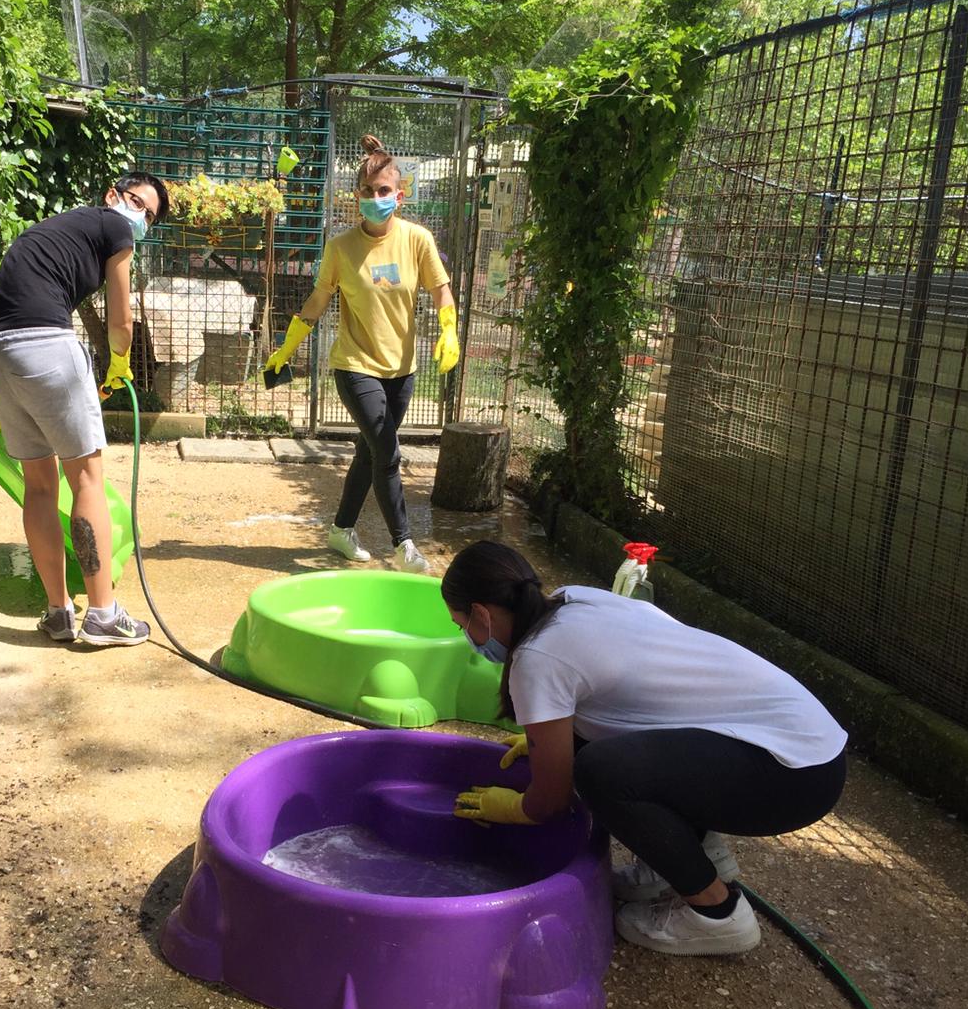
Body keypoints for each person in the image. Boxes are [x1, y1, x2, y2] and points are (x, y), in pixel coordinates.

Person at [441, 540, 848, 955]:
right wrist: (548, 743)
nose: (468, 637)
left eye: (461, 626)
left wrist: (510, 807)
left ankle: (718, 914)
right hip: (806, 739)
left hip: (793, 773)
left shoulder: (536, 659)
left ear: (481, 614)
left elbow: (550, 802)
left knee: (601, 772)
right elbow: (615, 702)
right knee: (594, 747)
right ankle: (690, 863)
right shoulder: (574, 600)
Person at [0, 172, 169, 647]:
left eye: (150, 216)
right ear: (112, 196)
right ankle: (103, 614)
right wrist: (120, 361)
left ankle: (59, 612)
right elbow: (121, 319)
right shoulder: (114, 226)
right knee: (85, 480)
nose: (140, 218)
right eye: (137, 203)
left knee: (40, 486)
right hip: (46, 345)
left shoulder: (63, 227)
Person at [262, 135, 458, 575]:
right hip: (354, 365)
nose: (375, 197)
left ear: (399, 195)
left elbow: (441, 290)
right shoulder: (341, 247)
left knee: (370, 454)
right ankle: (403, 545)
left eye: (383, 190)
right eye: (367, 191)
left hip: (401, 369)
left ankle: (341, 529)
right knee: (387, 450)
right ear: (356, 196)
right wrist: (287, 348)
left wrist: (450, 331)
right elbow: (317, 301)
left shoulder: (417, 240)